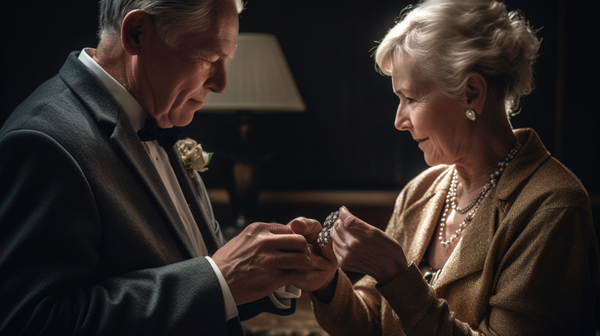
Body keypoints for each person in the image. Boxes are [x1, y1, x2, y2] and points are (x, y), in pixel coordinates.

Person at [0, 0, 332, 334]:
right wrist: (220, 279)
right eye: (208, 57)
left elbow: (198, 275)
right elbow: (34, 322)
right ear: (138, 33)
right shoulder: (41, 141)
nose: (221, 83)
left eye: (226, 60)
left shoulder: (157, 115)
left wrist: (281, 268)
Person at [303, 0, 600, 335]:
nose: (399, 120)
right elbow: (375, 323)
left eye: (412, 99)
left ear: (471, 93)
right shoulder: (421, 191)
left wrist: (397, 276)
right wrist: (326, 281)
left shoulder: (553, 208)